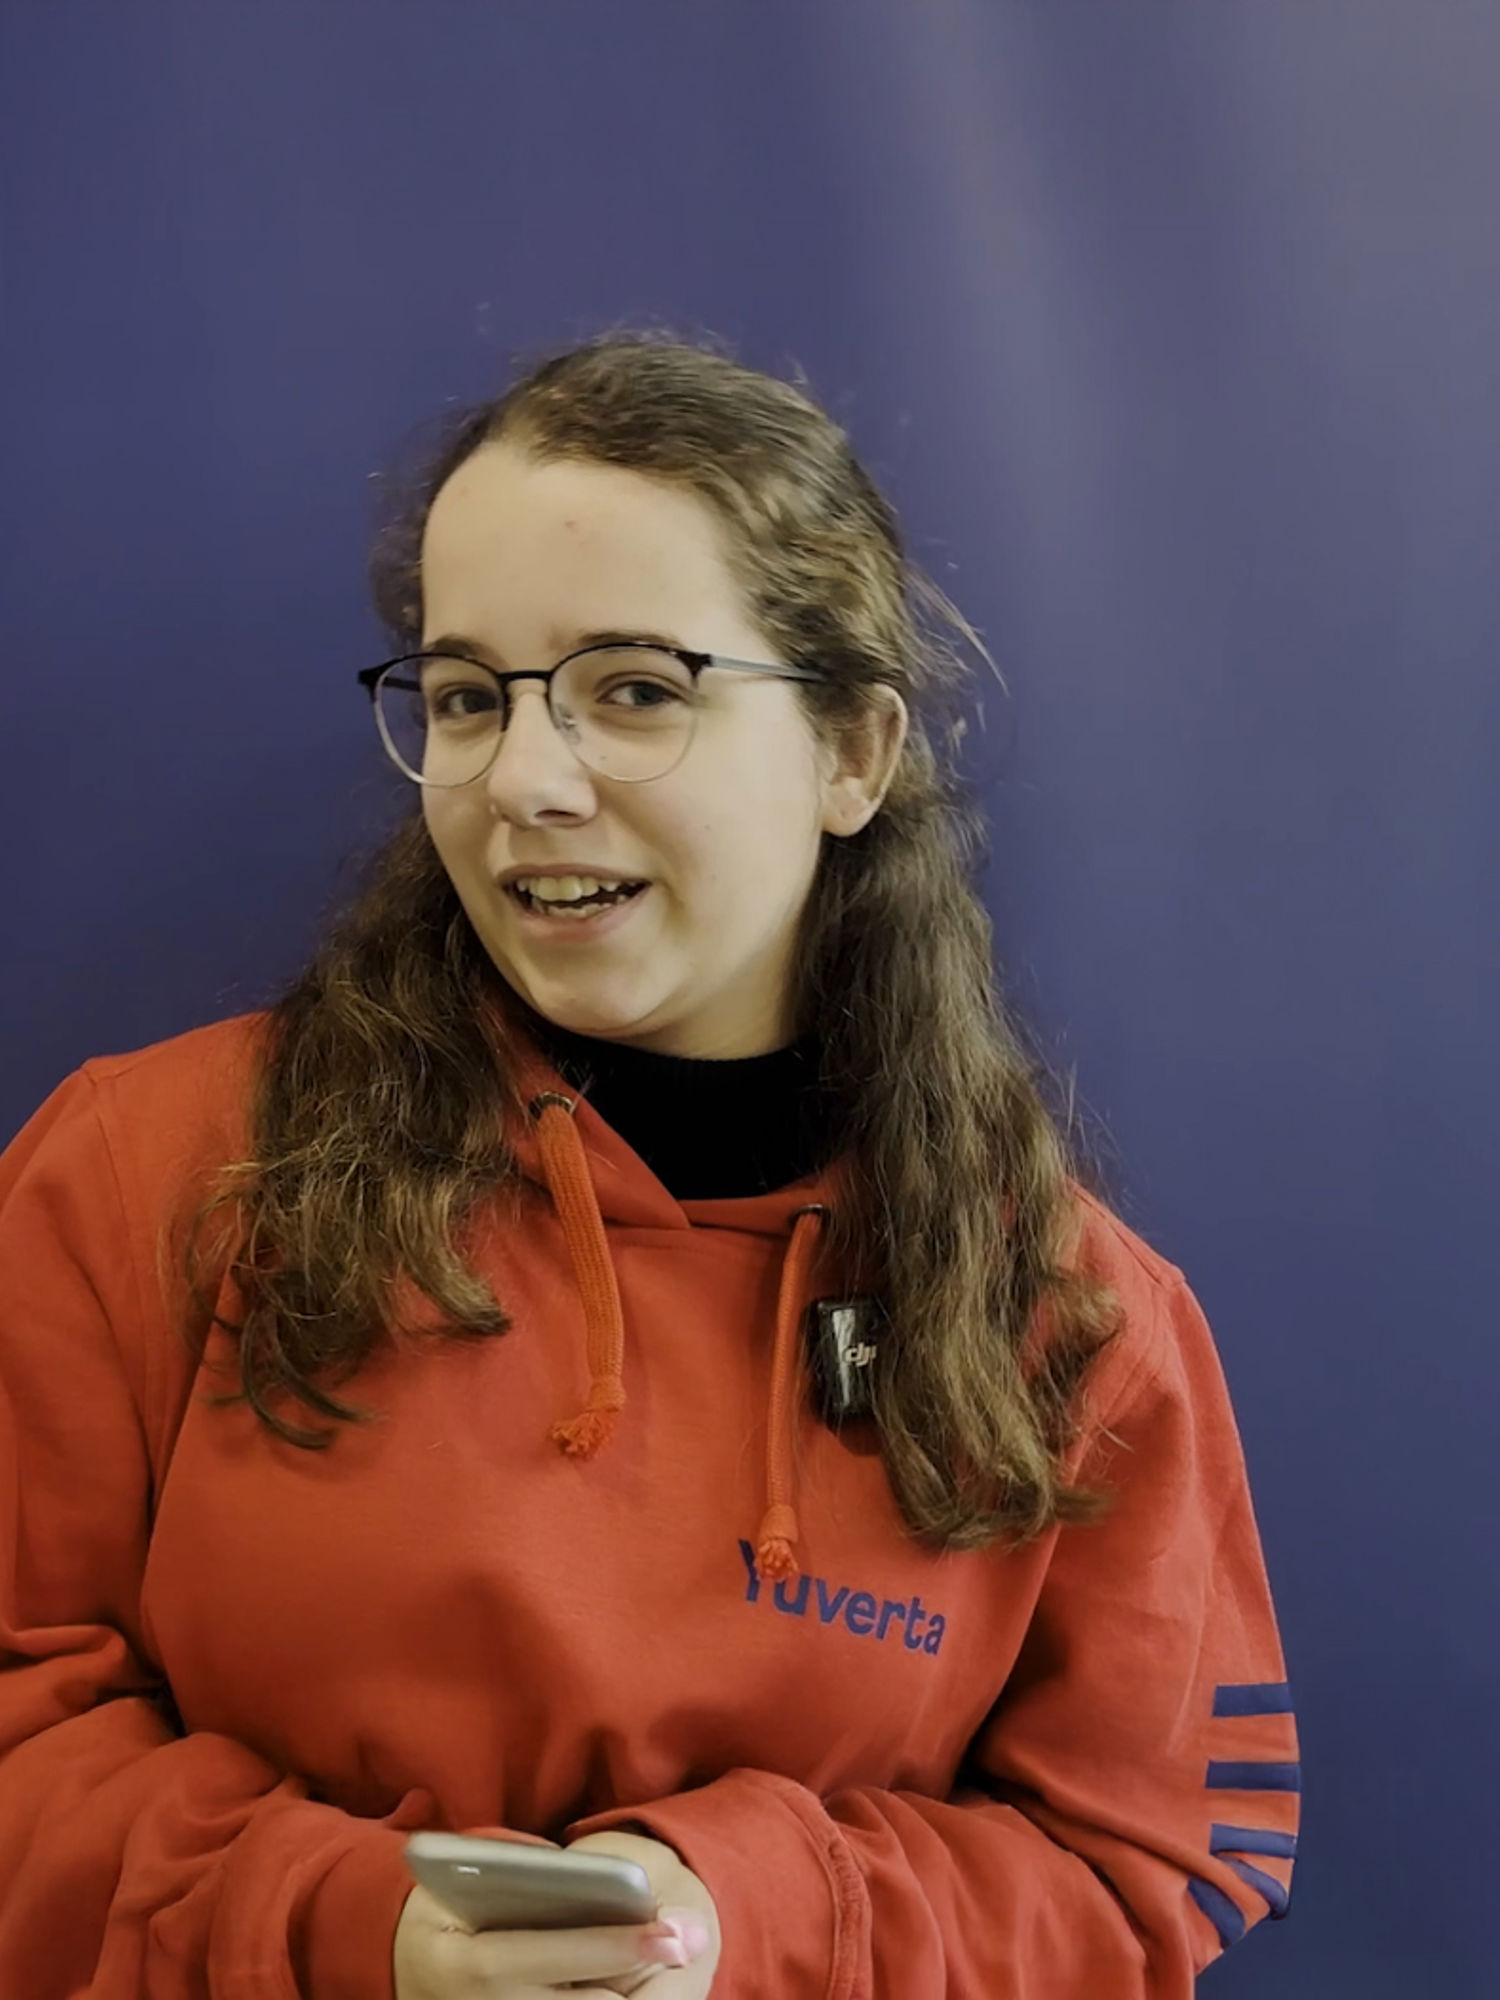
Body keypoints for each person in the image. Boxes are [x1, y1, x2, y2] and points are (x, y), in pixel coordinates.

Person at [0, 335, 1298, 1998]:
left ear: (852, 754)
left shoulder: (1071, 1319)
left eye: (636, 689)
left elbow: (1166, 1855)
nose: (525, 782)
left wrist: (738, 1917)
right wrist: (357, 1932)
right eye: (469, 696)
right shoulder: (152, 1176)